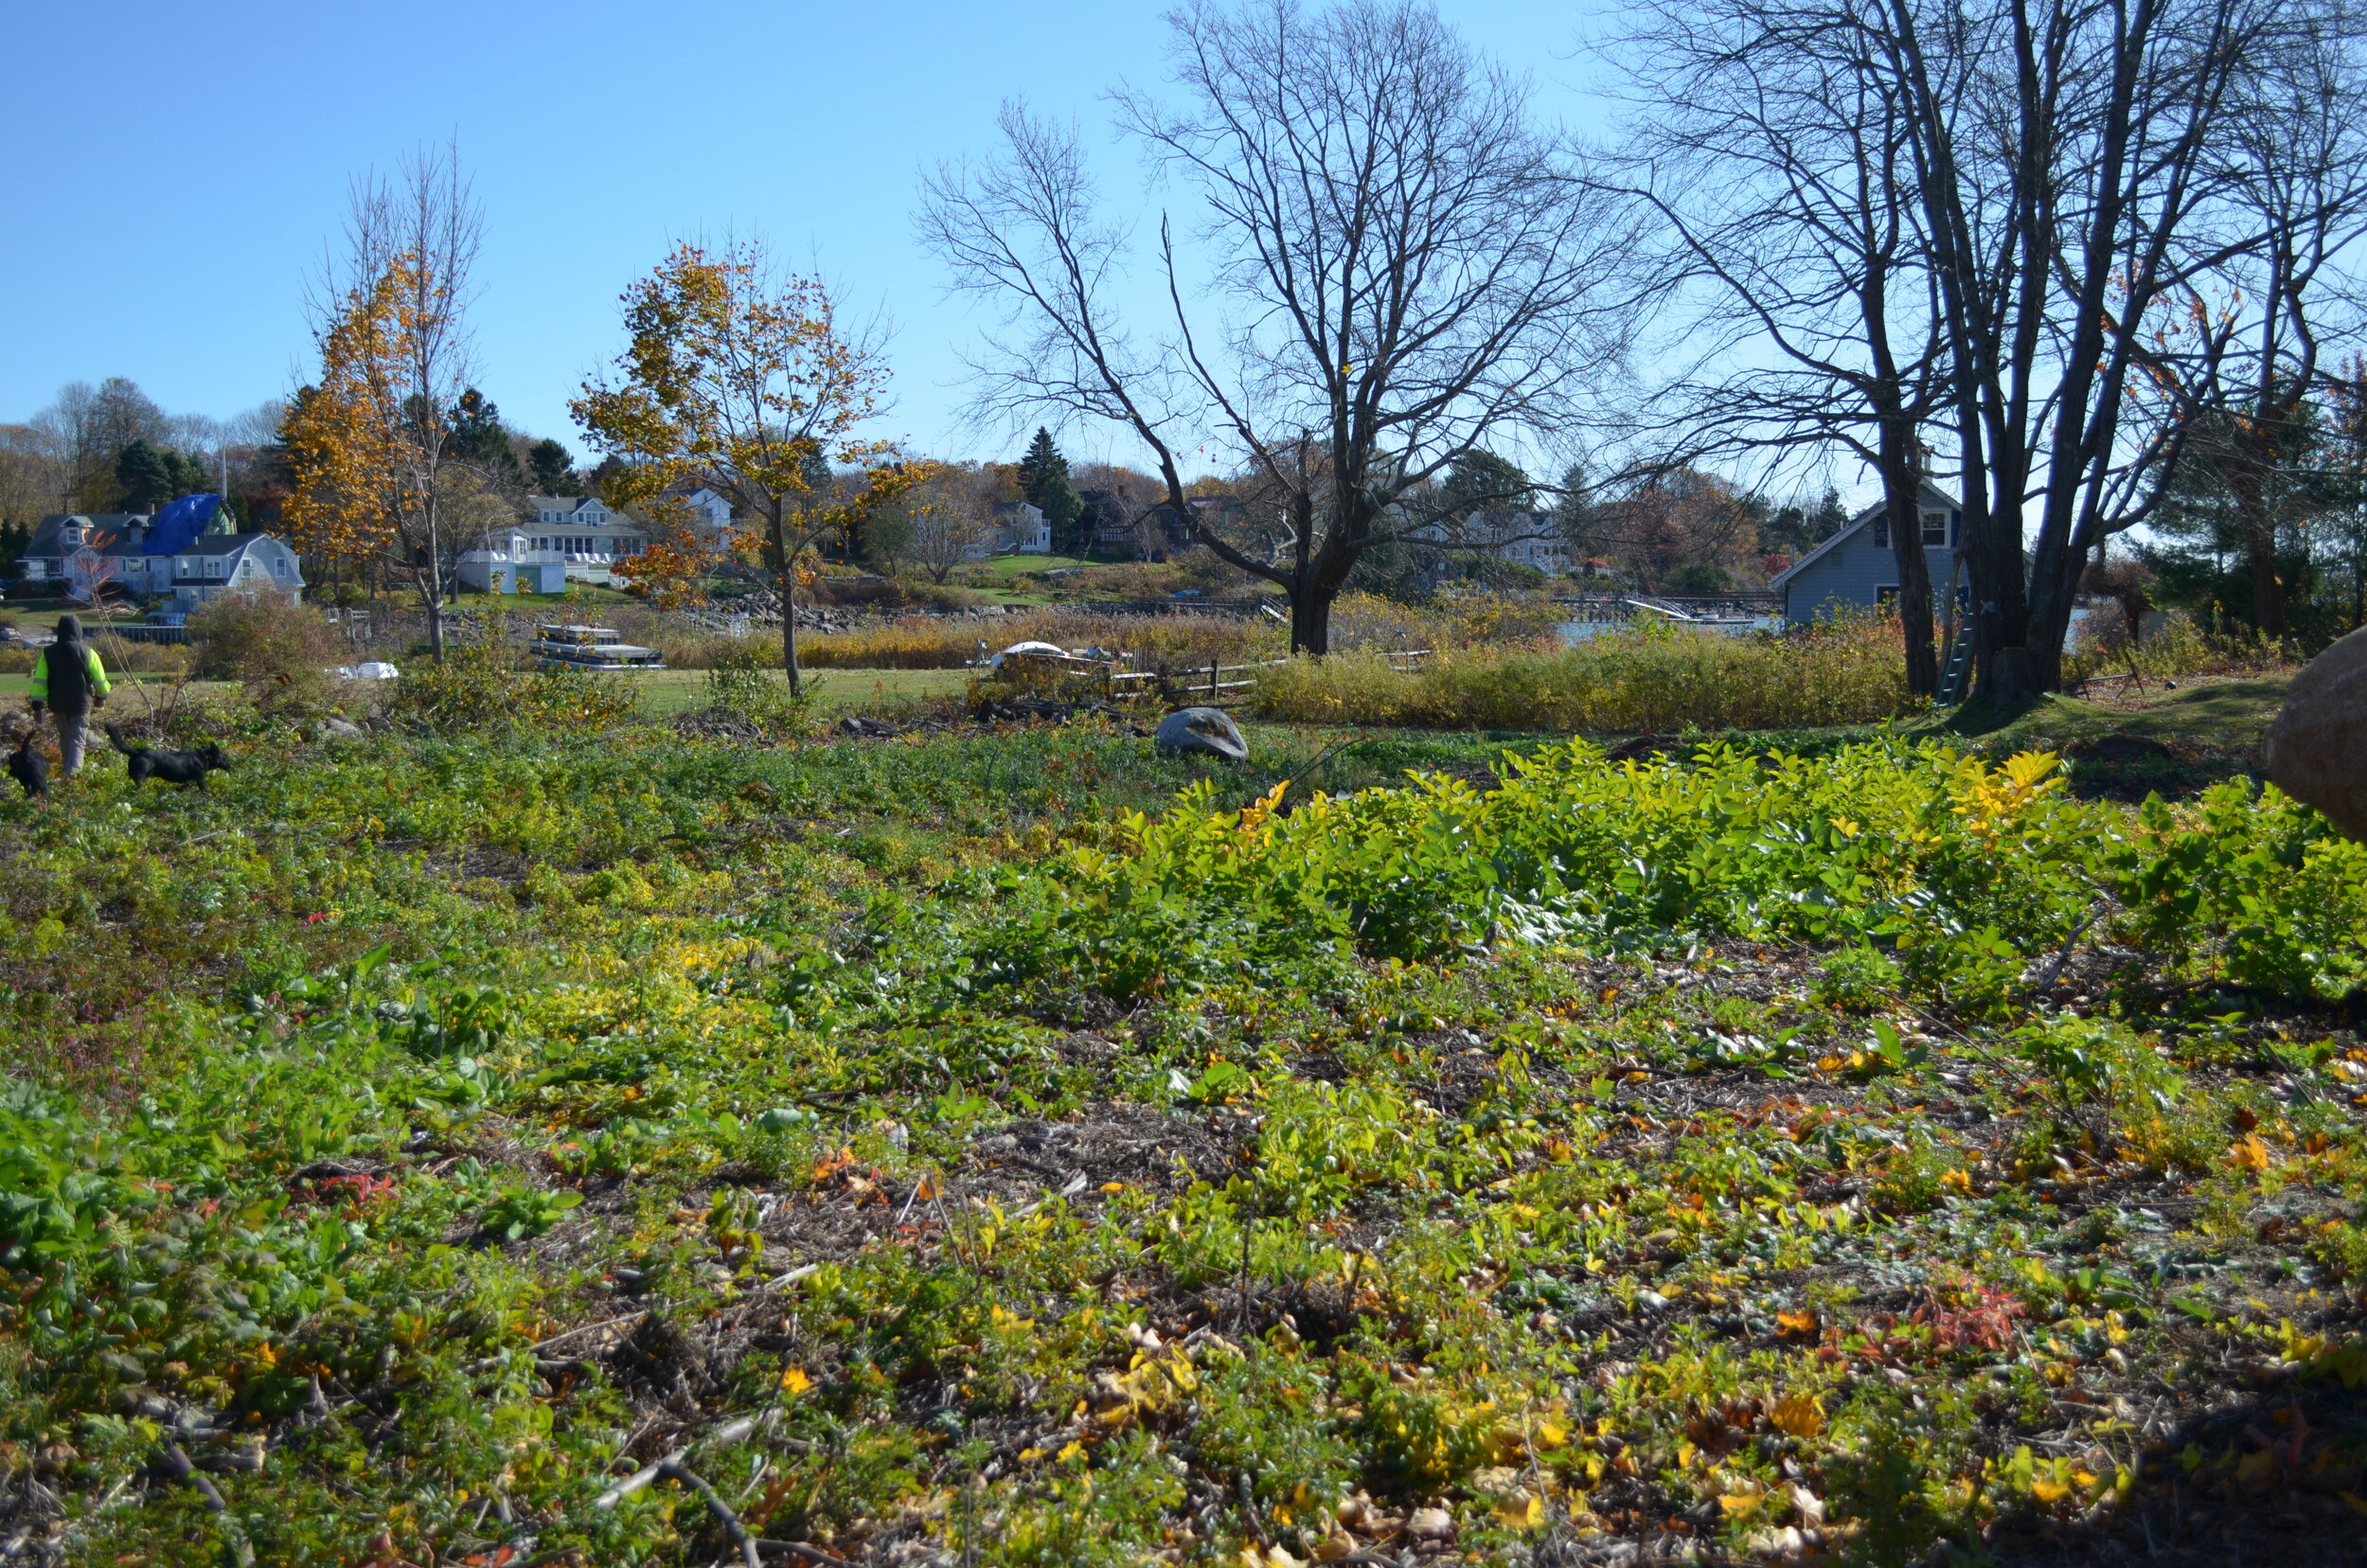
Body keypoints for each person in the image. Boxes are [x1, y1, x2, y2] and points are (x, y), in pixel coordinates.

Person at [28, 613, 110, 778]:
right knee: (77, 741)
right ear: (78, 630)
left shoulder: (48, 653)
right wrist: (101, 697)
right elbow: (100, 680)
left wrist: (37, 706)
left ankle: (67, 774)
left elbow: (40, 682)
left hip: (58, 704)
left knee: (65, 739)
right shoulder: (88, 652)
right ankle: (72, 777)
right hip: (81, 704)